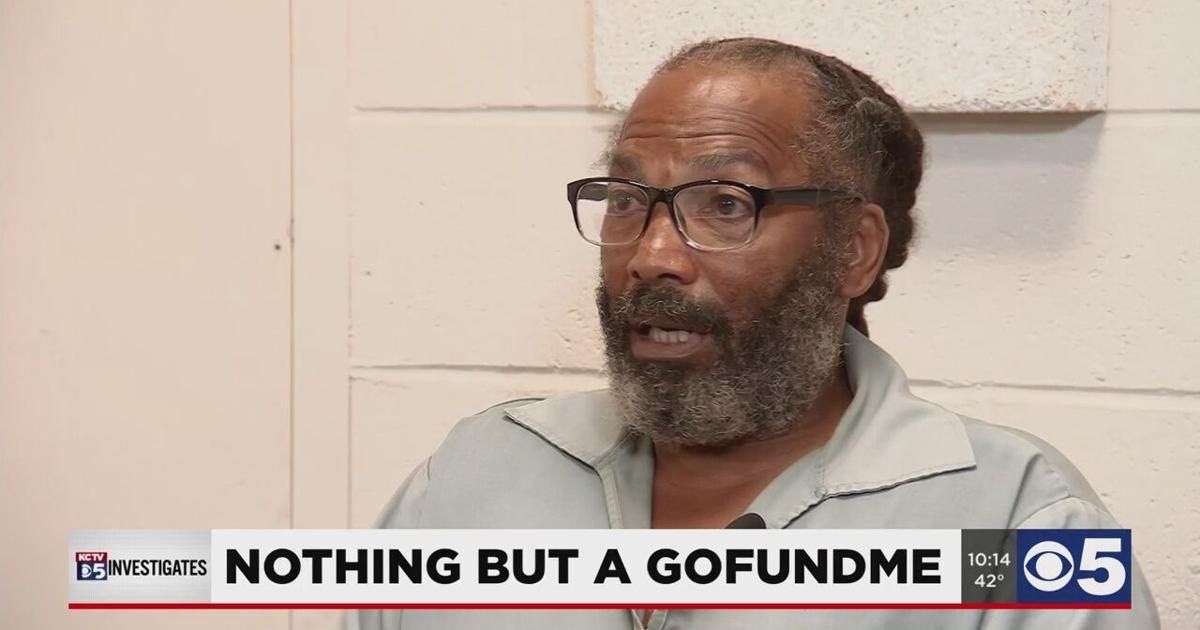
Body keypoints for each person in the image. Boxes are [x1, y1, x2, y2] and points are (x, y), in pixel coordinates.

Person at [351, 38, 1159, 629]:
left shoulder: (1020, 520)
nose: (652, 256)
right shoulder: (474, 475)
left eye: (727, 205)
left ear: (853, 250)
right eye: (627, 200)